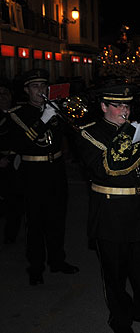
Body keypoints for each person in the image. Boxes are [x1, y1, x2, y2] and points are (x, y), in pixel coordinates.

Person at [76, 84, 140, 333]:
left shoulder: (137, 130)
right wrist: (133, 141)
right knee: (114, 271)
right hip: (111, 211)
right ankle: (119, 317)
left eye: (127, 105)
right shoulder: (90, 133)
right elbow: (105, 169)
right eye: (117, 105)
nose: (124, 111)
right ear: (104, 106)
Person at [6, 69, 78, 285]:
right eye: (35, 86)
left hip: (55, 169)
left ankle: (57, 260)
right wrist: (44, 119)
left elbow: (72, 134)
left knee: (57, 219)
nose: (40, 90)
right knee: (35, 222)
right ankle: (35, 267)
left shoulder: (52, 109)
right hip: (32, 173)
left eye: (43, 86)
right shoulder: (17, 113)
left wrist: (63, 113)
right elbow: (24, 143)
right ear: (26, 90)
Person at [1, 78, 22, 244]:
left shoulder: (18, 114)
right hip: (2, 162)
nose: (2, 97)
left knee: (15, 200)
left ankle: (11, 234)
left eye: (5, 94)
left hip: (17, 161)